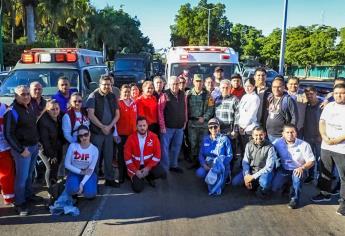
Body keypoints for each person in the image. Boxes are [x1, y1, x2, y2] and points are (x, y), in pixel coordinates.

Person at [4, 85, 40, 216]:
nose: (25, 96)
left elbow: (32, 127)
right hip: (22, 150)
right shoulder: (11, 111)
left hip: (33, 146)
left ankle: (28, 195)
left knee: (30, 175)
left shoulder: (29, 106)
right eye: (22, 94)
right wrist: (20, 150)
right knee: (22, 177)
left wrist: (37, 142)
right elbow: (8, 134)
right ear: (15, 96)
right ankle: (19, 203)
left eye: (27, 94)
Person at [311, 83, 345, 216]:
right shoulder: (329, 106)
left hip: (342, 148)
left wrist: (336, 140)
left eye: (342, 93)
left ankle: (343, 203)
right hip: (326, 146)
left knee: (343, 177)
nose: (339, 95)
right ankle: (325, 194)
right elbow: (322, 122)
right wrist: (324, 136)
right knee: (325, 172)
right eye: (336, 93)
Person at [86, 75, 120, 188]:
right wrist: (102, 127)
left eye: (109, 84)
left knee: (109, 156)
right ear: (100, 84)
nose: (106, 86)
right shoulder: (93, 96)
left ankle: (109, 178)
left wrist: (109, 127)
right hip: (97, 133)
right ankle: (93, 181)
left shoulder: (112, 96)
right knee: (95, 158)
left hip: (109, 132)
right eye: (104, 84)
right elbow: (90, 115)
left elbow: (117, 115)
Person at [272, 124, 315, 209]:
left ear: (296, 133)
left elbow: (312, 161)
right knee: (274, 187)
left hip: (299, 169)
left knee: (297, 178)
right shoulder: (277, 142)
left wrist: (302, 168)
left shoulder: (304, 145)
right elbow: (268, 147)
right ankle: (287, 186)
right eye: (287, 132)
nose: (290, 134)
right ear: (283, 134)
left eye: (292, 132)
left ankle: (294, 198)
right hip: (284, 169)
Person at [124, 116, 167, 193]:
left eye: (144, 125)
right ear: (136, 126)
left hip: (148, 165)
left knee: (162, 172)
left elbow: (157, 156)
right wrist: (136, 171)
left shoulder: (154, 137)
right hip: (136, 167)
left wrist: (148, 168)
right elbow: (127, 159)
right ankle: (139, 178)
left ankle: (149, 177)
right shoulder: (130, 138)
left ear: (147, 126)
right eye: (140, 126)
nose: (142, 128)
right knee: (138, 189)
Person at [232, 127, 276, 197]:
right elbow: (245, 162)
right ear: (252, 135)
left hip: (263, 172)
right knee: (235, 182)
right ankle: (252, 184)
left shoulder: (270, 147)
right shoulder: (249, 145)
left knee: (264, 183)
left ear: (265, 134)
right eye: (256, 135)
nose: (258, 137)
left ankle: (261, 187)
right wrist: (247, 175)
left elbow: (269, 167)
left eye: (261, 135)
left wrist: (252, 177)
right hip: (252, 170)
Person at [196, 118, 232, 195]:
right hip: (209, 164)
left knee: (217, 190)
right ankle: (209, 178)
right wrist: (204, 165)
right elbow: (201, 154)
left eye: (215, 127)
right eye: (211, 127)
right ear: (208, 129)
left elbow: (230, 155)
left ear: (219, 127)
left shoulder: (225, 139)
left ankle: (224, 176)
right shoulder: (205, 139)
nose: (213, 129)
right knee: (200, 173)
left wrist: (219, 166)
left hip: (220, 166)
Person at [158, 76, 187, 173]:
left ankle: (173, 165)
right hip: (167, 127)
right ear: (169, 85)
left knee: (177, 146)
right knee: (165, 148)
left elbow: (185, 109)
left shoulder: (183, 94)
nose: (175, 86)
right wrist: (162, 126)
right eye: (173, 84)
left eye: (177, 84)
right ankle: (164, 168)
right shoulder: (165, 95)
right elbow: (160, 111)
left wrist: (185, 121)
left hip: (179, 127)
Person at [37, 99, 64, 203]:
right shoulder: (43, 121)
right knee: (50, 167)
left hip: (57, 146)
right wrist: (51, 155)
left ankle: (55, 185)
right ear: (47, 110)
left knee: (56, 167)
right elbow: (45, 141)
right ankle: (50, 190)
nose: (55, 111)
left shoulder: (60, 116)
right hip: (45, 149)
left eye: (57, 108)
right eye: (52, 109)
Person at [186, 74, 215, 168]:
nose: (198, 83)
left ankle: (201, 162)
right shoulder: (188, 94)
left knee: (202, 143)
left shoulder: (208, 95)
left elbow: (211, 108)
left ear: (203, 82)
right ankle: (194, 161)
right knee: (192, 143)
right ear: (193, 82)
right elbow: (184, 108)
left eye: (200, 81)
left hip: (203, 123)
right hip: (192, 124)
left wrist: (205, 117)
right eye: (197, 81)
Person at [64, 125, 98, 199]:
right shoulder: (72, 146)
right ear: (78, 137)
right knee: (72, 190)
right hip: (75, 172)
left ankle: (86, 184)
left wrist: (82, 184)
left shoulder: (94, 149)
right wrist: (81, 172)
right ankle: (73, 185)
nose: (84, 137)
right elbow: (66, 164)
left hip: (88, 172)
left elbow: (91, 169)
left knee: (90, 194)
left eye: (86, 134)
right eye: (81, 136)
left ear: (89, 134)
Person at [214, 79, 240, 174]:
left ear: (230, 88)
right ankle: (220, 171)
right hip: (218, 130)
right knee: (220, 151)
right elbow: (214, 115)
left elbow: (238, 116)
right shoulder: (217, 99)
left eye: (227, 88)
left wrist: (235, 130)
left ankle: (230, 172)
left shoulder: (235, 99)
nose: (225, 89)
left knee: (230, 152)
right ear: (220, 88)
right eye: (223, 88)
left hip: (230, 130)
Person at [266, 76, 298, 143]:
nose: (276, 89)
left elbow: (295, 118)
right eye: (274, 87)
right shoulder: (270, 98)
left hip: (281, 136)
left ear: (284, 87)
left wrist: (289, 134)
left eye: (279, 87)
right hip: (269, 134)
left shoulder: (288, 99)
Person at [116, 84, 137, 183]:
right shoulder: (118, 103)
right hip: (121, 135)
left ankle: (129, 173)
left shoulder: (134, 103)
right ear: (121, 92)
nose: (127, 93)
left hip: (132, 134)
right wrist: (115, 134)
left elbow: (136, 118)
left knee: (130, 155)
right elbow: (115, 121)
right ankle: (121, 175)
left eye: (128, 92)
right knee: (121, 155)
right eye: (125, 92)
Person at [303, 86, 322, 183]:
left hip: (319, 138)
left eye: (311, 94)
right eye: (307, 94)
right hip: (307, 136)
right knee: (309, 157)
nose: (309, 96)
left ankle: (320, 177)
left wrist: (321, 135)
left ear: (316, 93)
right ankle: (310, 176)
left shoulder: (322, 105)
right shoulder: (306, 105)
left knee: (320, 159)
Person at [0, 100, 15, 205]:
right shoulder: (5, 107)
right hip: (4, 147)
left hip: (5, 147)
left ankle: (8, 198)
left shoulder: (6, 108)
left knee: (7, 175)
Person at [238, 77, 260, 146]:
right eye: (246, 86)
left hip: (250, 128)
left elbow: (251, 115)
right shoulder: (244, 96)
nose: (247, 88)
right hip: (241, 128)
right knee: (242, 150)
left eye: (249, 86)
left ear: (254, 86)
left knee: (249, 150)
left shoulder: (255, 98)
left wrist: (243, 127)